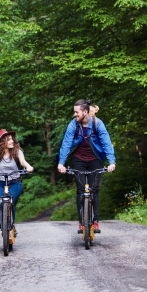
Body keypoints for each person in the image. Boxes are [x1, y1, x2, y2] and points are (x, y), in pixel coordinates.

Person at [58, 99, 115, 233]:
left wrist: (111, 162)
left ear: (85, 112)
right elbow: (66, 143)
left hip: (95, 159)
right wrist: (61, 163)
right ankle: (81, 221)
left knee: (94, 190)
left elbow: (106, 142)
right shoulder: (73, 125)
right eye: (74, 112)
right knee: (80, 190)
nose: (74, 115)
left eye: (76, 112)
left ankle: (95, 221)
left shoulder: (97, 124)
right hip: (78, 160)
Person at [0, 129, 34, 233]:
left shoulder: (17, 151)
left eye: (12, 139)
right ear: (2, 142)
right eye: (8, 140)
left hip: (15, 183)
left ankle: (11, 225)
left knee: (10, 201)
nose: (12, 141)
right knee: (1, 204)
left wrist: (28, 166)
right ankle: (3, 226)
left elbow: (23, 161)